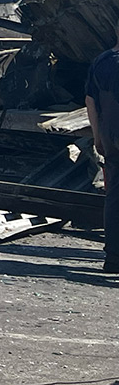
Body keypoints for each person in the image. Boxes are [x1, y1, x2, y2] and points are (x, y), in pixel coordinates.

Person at [85, 33, 119, 273]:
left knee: (114, 196)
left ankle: (114, 258)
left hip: (110, 136)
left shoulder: (101, 61)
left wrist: (97, 136)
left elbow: (90, 101)